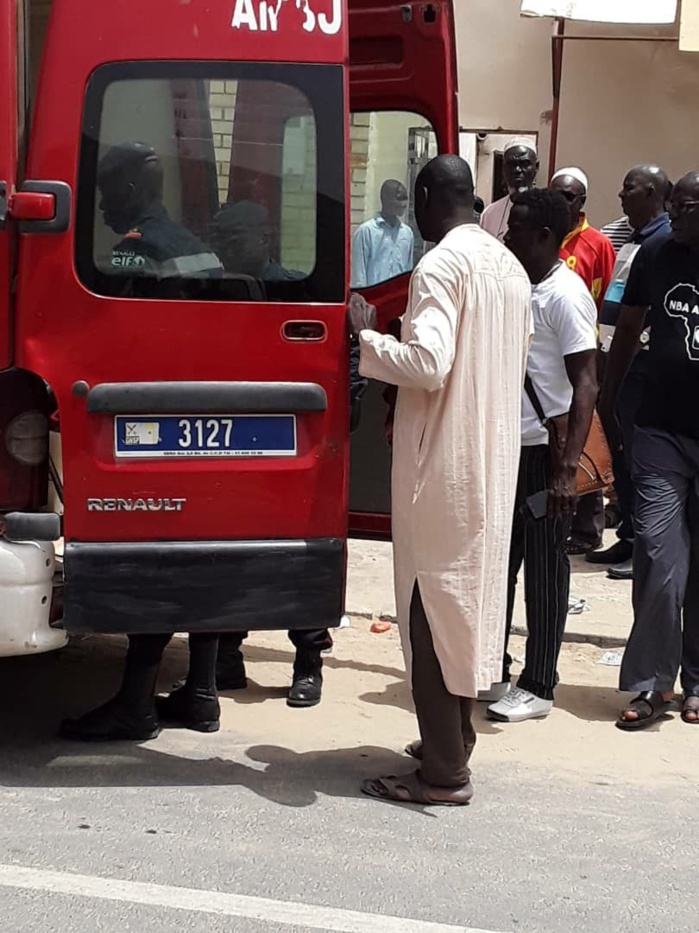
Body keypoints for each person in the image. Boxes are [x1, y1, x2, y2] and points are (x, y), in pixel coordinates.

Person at [351, 155, 532, 805]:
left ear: (427, 195)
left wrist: (367, 338)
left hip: (445, 466)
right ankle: (453, 737)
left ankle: (444, 772)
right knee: (467, 607)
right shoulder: (508, 266)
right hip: (493, 463)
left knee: (429, 609)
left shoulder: (439, 265)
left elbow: (427, 363)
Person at [61, 143, 224, 742]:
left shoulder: (135, 249)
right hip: (204, 413)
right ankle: (201, 694)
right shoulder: (194, 244)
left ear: (131, 190)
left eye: (108, 194)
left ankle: (135, 704)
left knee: (156, 560)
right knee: (202, 555)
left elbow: (110, 338)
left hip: (155, 417)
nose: (103, 207)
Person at [487, 189, 598, 724]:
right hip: (508, 448)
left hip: (546, 456)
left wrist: (566, 471)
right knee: (498, 566)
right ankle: (495, 667)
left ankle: (539, 685)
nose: (508, 236)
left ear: (546, 236)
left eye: (518, 229)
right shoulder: (517, 286)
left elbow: (586, 384)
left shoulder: (565, 295)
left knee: (545, 572)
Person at [599, 171, 699, 730]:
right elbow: (628, 327)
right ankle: (651, 681)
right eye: (674, 204)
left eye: (687, 206)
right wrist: (608, 399)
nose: (674, 214)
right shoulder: (654, 255)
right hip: (660, 430)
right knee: (659, 557)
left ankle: (697, 680)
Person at [587, 165, 672, 581]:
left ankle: (642, 545)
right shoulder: (630, 237)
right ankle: (627, 533)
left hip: (639, 366)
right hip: (615, 361)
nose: (621, 195)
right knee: (619, 454)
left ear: (652, 192)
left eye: (629, 188)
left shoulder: (664, 241)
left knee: (638, 456)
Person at [550, 167, 615, 556]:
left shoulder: (598, 244)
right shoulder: (546, 236)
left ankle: (589, 528)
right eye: (555, 194)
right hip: (547, 353)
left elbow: (606, 301)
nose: (561, 202)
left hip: (582, 351)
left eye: (568, 196)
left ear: (582, 202)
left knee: (583, 433)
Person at [97, 141, 222, 289]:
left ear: (131, 193)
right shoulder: (200, 248)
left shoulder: (137, 252)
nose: (102, 205)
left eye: (108, 194)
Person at [351, 180, 414, 288]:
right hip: (374, 296)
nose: (403, 204)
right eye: (398, 198)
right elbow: (359, 276)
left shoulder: (407, 234)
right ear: (385, 199)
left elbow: (408, 271)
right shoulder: (366, 232)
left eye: (405, 199)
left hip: (397, 296)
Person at [481, 137, 539, 242]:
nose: (517, 170)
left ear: (536, 168)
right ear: (503, 169)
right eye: (511, 164)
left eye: (524, 164)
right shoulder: (489, 214)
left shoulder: (548, 211)